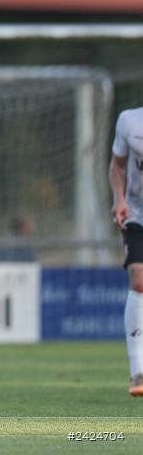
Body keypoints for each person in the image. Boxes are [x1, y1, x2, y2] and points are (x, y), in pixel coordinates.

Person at [109, 106, 143, 397]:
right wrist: (119, 198)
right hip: (137, 214)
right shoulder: (129, 121)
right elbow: (117, 166)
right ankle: (137, 372)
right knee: (139, 280)